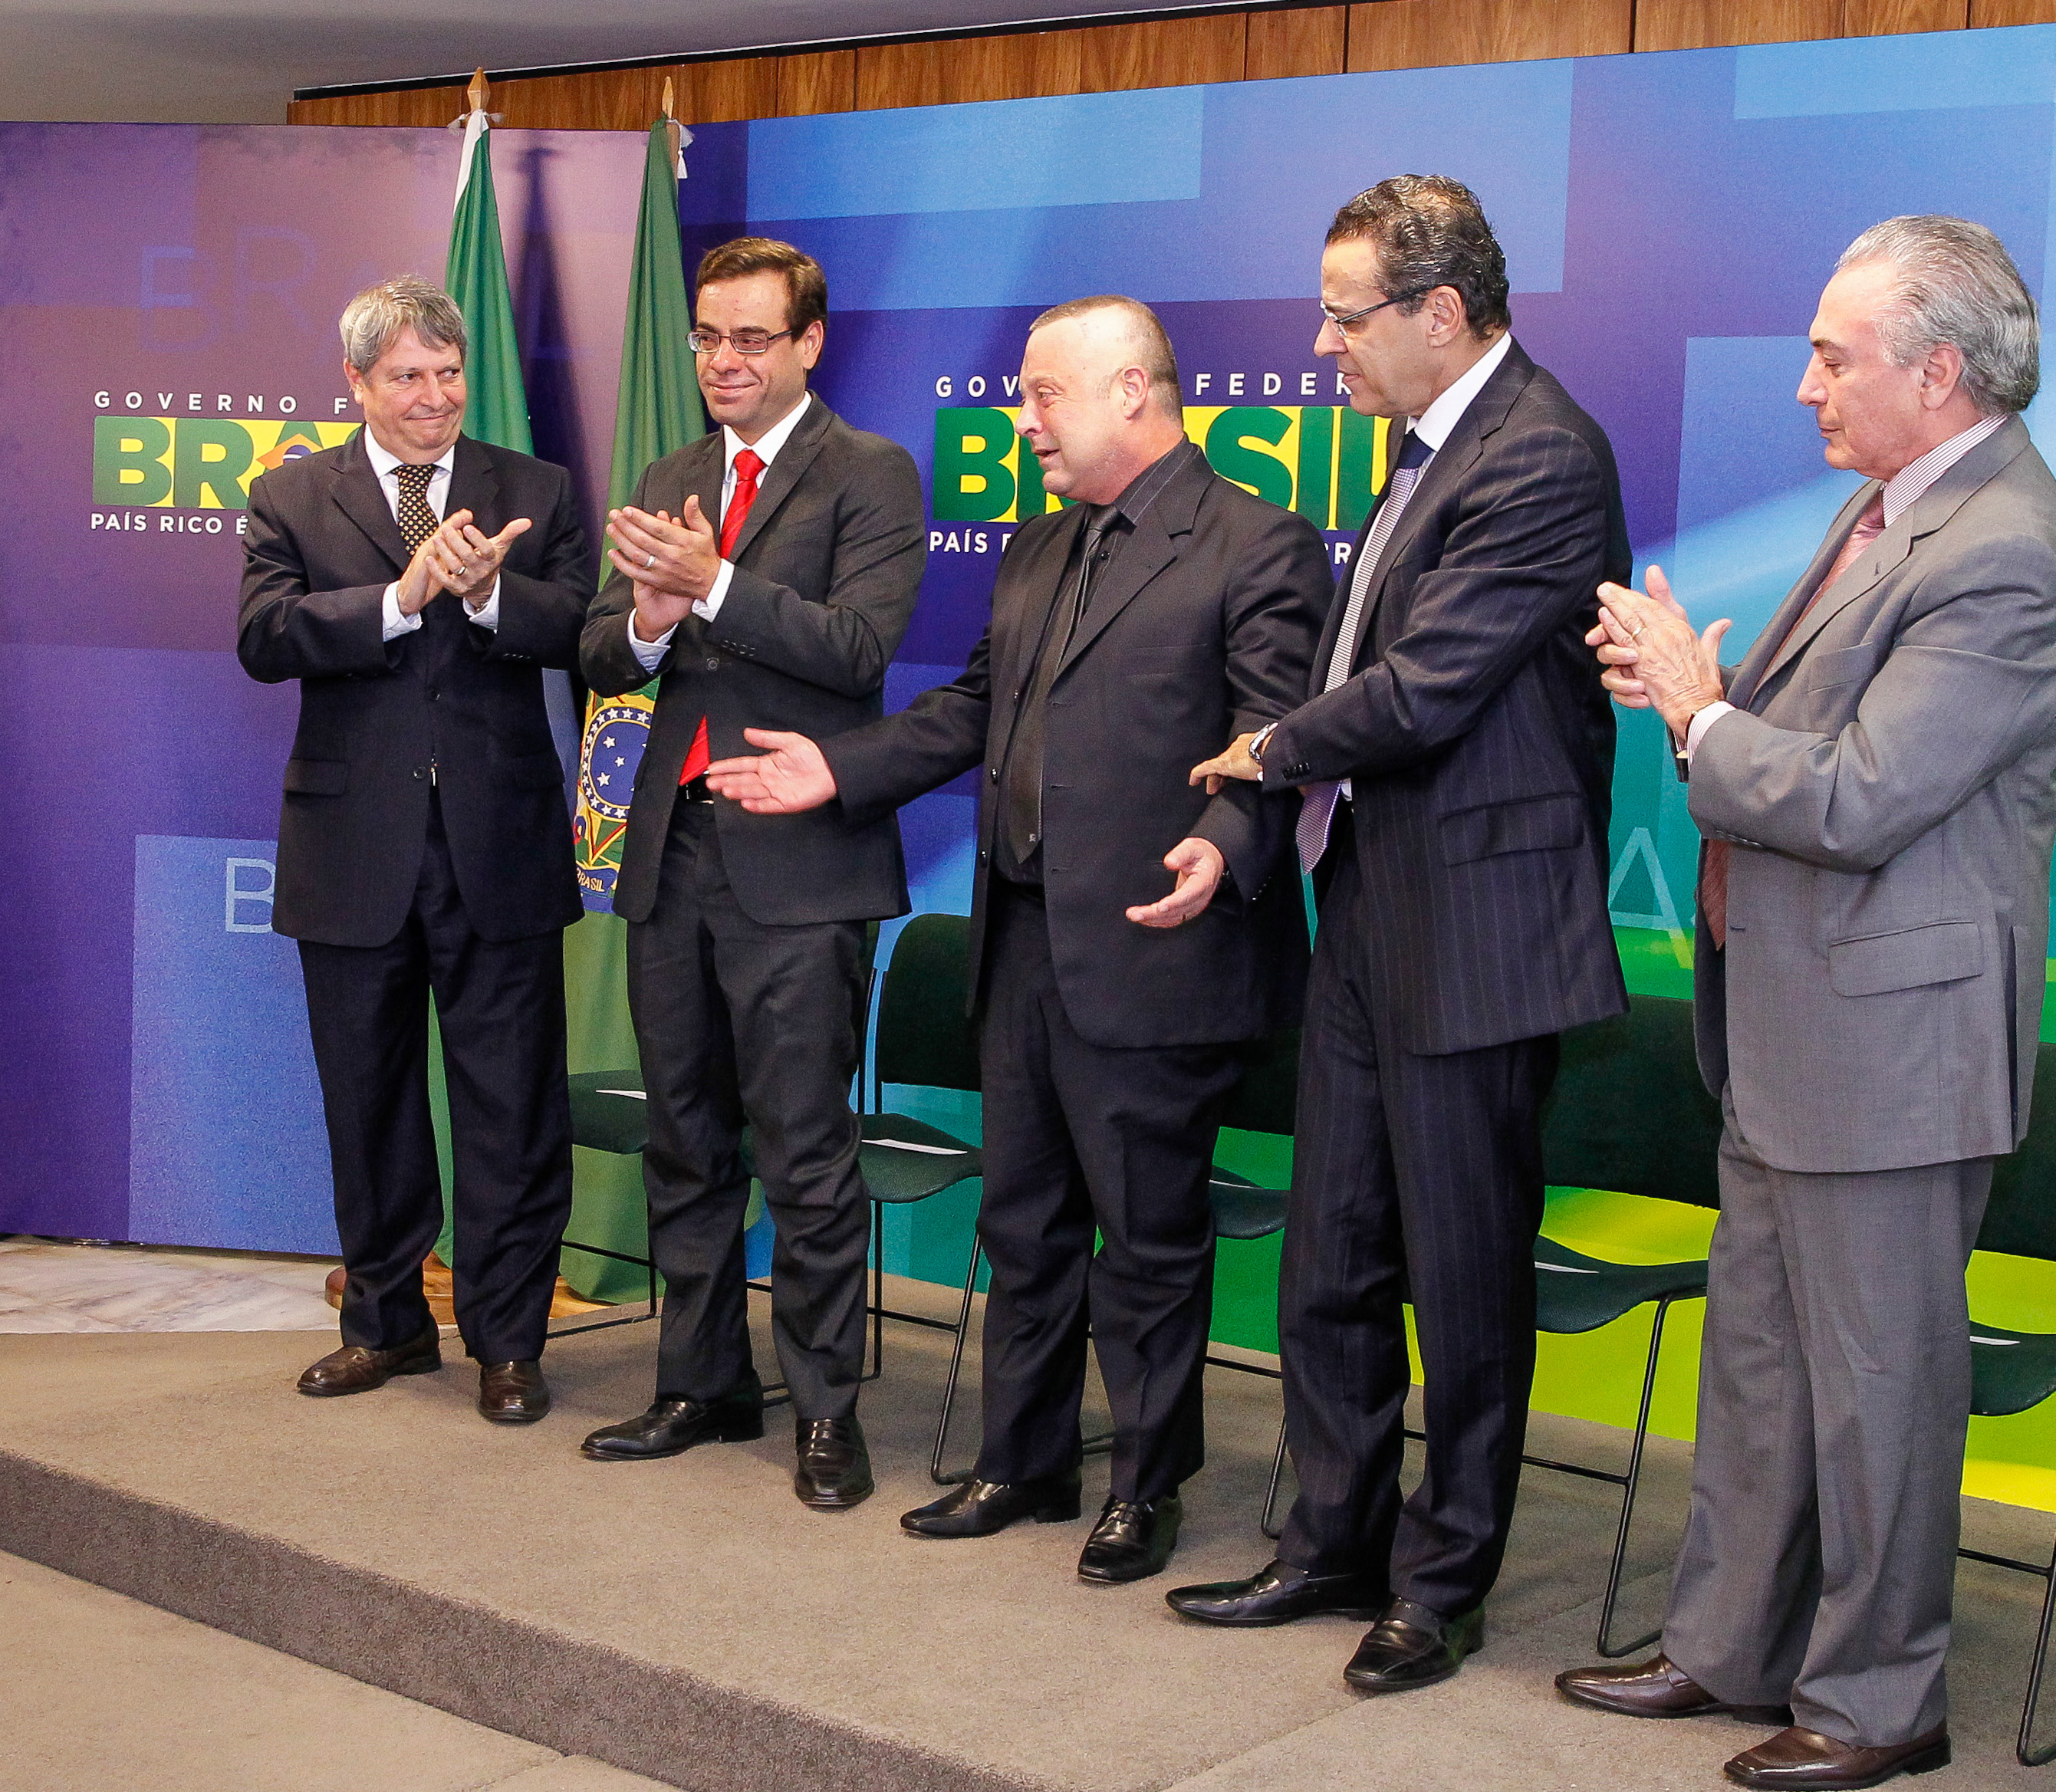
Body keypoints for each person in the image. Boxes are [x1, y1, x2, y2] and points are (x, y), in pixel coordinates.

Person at [706, 295, 1327, 1571]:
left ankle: (1143, 1487)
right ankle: (1024, 1463)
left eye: (1044, 394)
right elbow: (974, 708)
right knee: (1024, 1225)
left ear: (1133, 392)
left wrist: (1227, 838)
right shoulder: (1038, 545)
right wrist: (840, 768)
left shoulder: (1254, 543)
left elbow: (1274, 732)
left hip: (1156, 943)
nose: (1021, 419)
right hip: (1022, 939)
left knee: (1147, 1240)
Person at [1557, 217, 2056, 1792]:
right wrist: (1697, 704)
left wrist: (1701, 716)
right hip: (1791, 1027)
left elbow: (1861, 796)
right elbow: (1808, 747)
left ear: (1938, 369)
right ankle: (1728, 1647)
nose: (1804, 386)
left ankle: (1878, 1701)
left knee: (1879, 1393)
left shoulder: (2007, 548)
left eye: (1834, 357)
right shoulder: (1883, 508)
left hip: (1891, 1046)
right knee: (1763, 1371)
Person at [1166, 176, 1630, 1692]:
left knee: (1464, 1276)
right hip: (1370, 902)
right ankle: (1329, 1542)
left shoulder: (1539, 450)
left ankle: (1440, 1583)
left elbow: (1426, 687)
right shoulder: (1424, 445)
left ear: (1439, 311)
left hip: (1482, 927)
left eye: (1344, 316)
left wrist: (1264, 748)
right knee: (1334, 1254)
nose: (1322, 347)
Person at [577, 238, 926, 1511]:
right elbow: (601, 653)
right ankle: (701, 1383)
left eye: (750, 339)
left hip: (800, 867)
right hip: (672, 855)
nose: (723, 361)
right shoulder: (671, 475)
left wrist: (711, 583)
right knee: (684, 1137)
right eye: (706, 338)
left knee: (804, 1149)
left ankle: (826, 1410)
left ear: (808, 343)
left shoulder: (869, 472)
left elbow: (857, 648)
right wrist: (649, 618)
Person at [237, 277, 593, 1425]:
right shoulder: (290, 493)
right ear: (356, 382)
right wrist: (400, 596)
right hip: (352, 850)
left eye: (448, 373)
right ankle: (384, 1326)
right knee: (368, 1100)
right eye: (406, 376)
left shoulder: (533, 488)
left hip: (499, 846)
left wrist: (489, 597)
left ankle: (507, 1342)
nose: (434, 396)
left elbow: (587, 629)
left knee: (511, 1108)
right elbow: (263, 637)